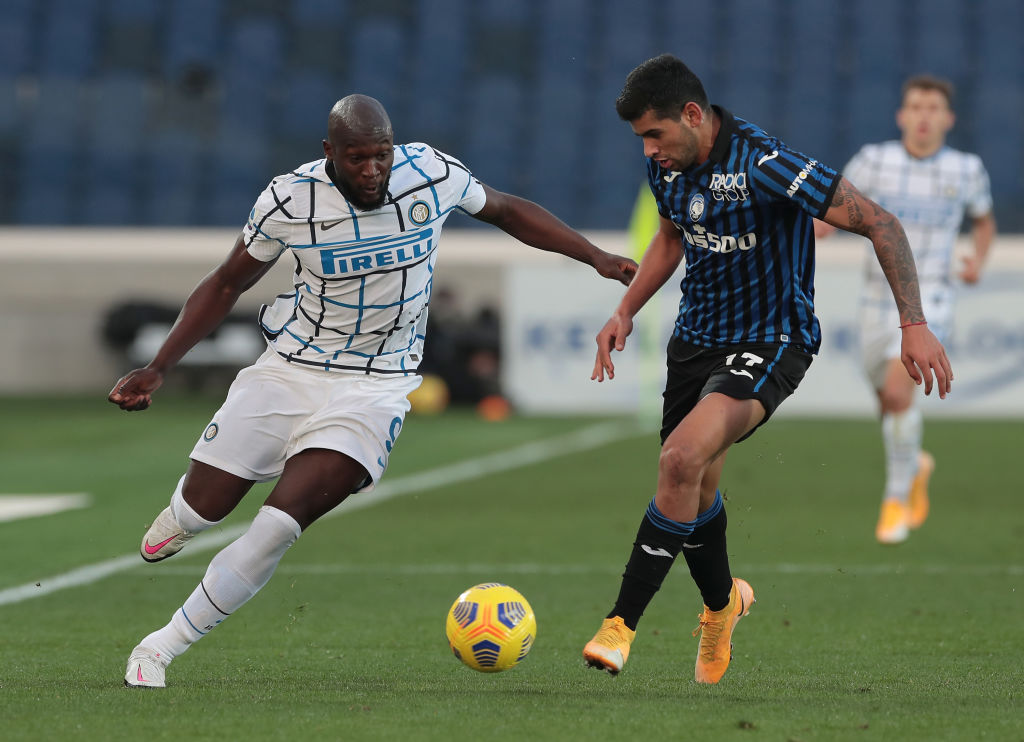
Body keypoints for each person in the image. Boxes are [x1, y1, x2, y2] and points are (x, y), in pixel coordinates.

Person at [110, 94, 637, 688]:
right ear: (330, 153)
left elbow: (508, 211)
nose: (372, 171)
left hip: (376, 387)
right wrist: (159, 366)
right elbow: (228, 281)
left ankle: (161, 646)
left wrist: (593, 256)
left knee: (279, 524)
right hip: (290, 369)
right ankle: (183, 516)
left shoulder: (431, 174)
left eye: (381, 156)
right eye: (357, 158)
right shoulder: (290, 199)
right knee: (207, 503)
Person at [580, 55, 952, 684]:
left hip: (772, 340)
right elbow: (672, 233)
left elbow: (881, 224)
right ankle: (723, 605)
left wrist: (912, 322)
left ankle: (620, 626)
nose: (649, 150)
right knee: (693, 484)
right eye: (642, 138)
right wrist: (625, 308)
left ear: (693, 116)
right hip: (694, 343)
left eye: (655, 135)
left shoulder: (767, 164)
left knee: (678, 459)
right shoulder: (665, 167)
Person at [816, 76, 995, 545]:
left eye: (933, 108)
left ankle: (895, 499)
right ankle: (915, 463)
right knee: (887, 402)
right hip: (874, 298)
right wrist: (821, 227)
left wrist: (979, 257)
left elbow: (984, 219)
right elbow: (834, 204)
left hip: (931, 299)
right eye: (915, 106)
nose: (923, 116)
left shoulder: (966, 169)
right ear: (901, 116)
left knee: (899, 393)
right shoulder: (875, 160)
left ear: (948, 119)